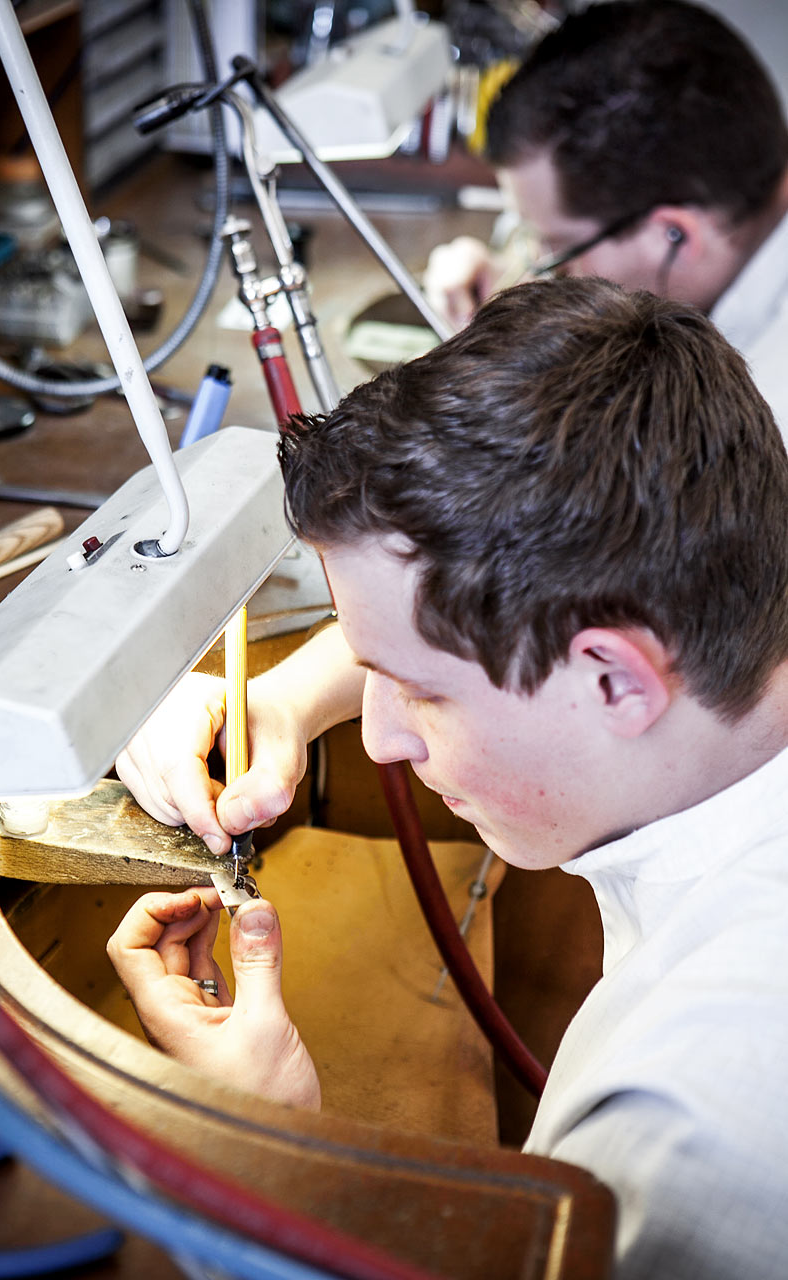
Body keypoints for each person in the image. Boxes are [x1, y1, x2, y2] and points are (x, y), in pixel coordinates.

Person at [110, 276, 788, 1277]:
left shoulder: (689, 1128)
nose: (381, 737)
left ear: (611, 676)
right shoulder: (720, 582)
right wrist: (290, 699)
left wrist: (265, 1162)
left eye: (418, 692)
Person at [422, 0, 788, 436]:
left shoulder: (763, 423)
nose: (545, 268)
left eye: (557, 248)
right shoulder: (732, 183)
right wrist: (507, 271)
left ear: (675, 235)